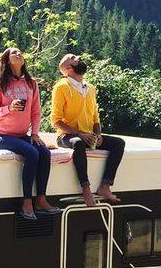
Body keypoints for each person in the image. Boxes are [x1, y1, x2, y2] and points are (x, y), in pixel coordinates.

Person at [0, 48, 60, 220]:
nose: (19, 54)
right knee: (32, 153)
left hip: (21, 135)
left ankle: (41, 199)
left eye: (20, 52)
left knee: (44, 152)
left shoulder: (31, 83)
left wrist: (34, 134)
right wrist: (9, 108)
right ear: (7, 60)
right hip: (2, 136)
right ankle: (26, 202)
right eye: (14, 53)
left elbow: (35, 111)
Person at [51, 53, 125, 206]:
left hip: (88, 136)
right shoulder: (61, 87)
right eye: (73, 57)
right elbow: (56, 121)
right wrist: (80, 134)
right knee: (78, 143)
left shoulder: (90, 88)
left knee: (118, 143)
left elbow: (95, 118)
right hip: (67, 136)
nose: (78, 57)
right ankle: (85, 188)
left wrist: (97, 135)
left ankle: (105, 186)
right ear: (68, 68)